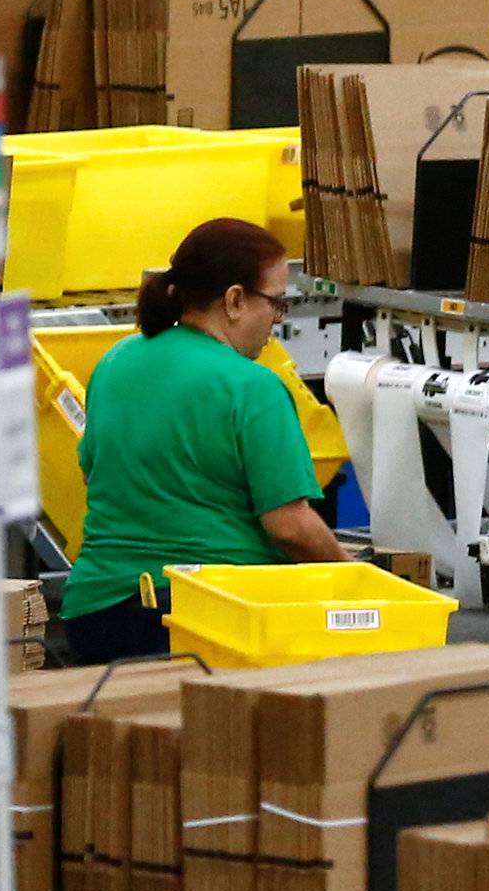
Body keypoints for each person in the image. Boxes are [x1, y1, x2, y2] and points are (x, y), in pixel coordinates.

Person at [62, 217, 347, 662]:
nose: (277, 319)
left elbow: (92, 471)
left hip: (92, 613)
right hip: (198, 619)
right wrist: (353, 580)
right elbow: (290, 528)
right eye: (275, 302)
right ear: (234, 300)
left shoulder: (116, 362)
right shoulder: (253, 387)